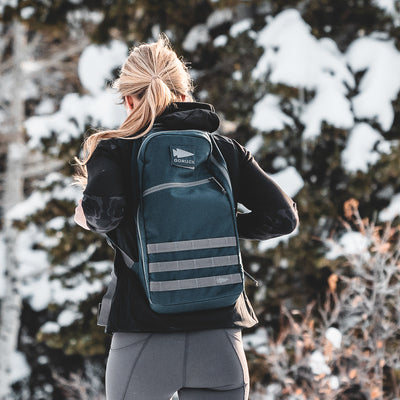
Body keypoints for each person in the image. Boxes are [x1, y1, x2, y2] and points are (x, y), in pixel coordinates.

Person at [74, 35, 299, 400]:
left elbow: (104, 213)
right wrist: (221, 227)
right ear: (184, 93)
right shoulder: (224, 150)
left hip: (142, 341)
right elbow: (283, 217)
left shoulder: (114, 150)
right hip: (220, 341)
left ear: (129, 99)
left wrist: (83, 214)